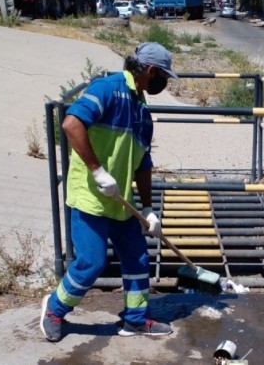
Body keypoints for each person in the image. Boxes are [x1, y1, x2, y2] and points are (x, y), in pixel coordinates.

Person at [40, 42, 178, 342]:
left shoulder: (143, 113)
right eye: (164, 76)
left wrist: (148, 208)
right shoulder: (108, 89)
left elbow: (143, 164)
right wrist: (97, 170)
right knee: (91, 261)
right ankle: (54, 310)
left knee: (138, 258)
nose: (164, 83)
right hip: (90, 194)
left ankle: (135, 320)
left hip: (120, 202)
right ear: (150, 71)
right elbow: (71, 123)